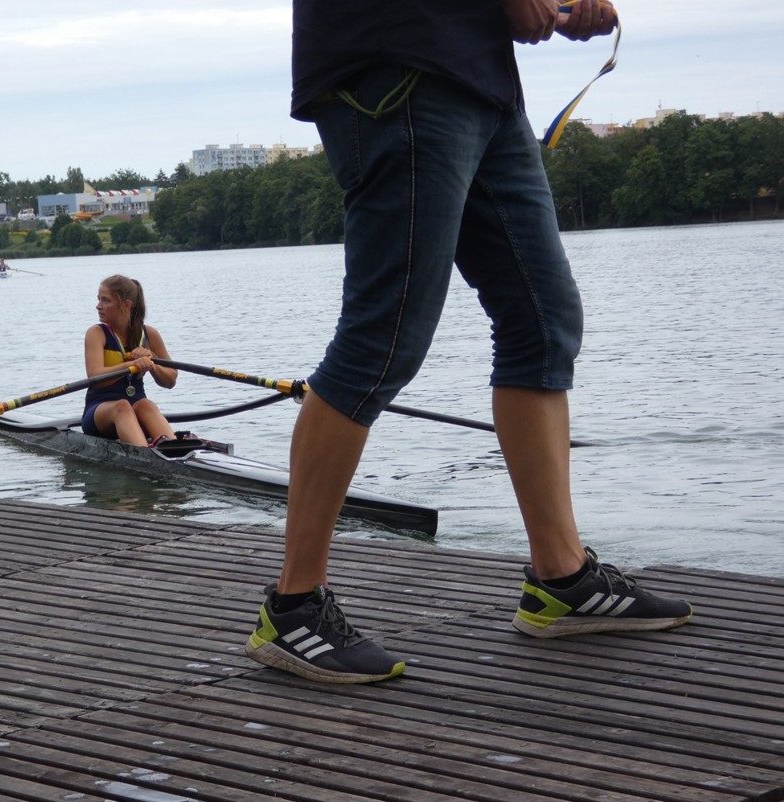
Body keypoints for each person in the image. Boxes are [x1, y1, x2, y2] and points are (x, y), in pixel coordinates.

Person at [244, 0, 693, 685]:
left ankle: (562, 578)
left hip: (480, 74)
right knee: (382, 338)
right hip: (398, 66)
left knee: (542, 320)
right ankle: (293, 607)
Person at [81, 275, 178, 447]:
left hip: (138, 408)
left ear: (126, 305)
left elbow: (170, 380)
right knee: (123, 406)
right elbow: (95, 377)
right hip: (100, 412)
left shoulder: (150, 335)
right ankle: (145, 455)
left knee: (147, 405)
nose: (98, 306)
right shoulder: (96, 333)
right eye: (99, 299)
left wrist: (152, 362)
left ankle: (175, 449)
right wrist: (131, 365)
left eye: (106, 300)